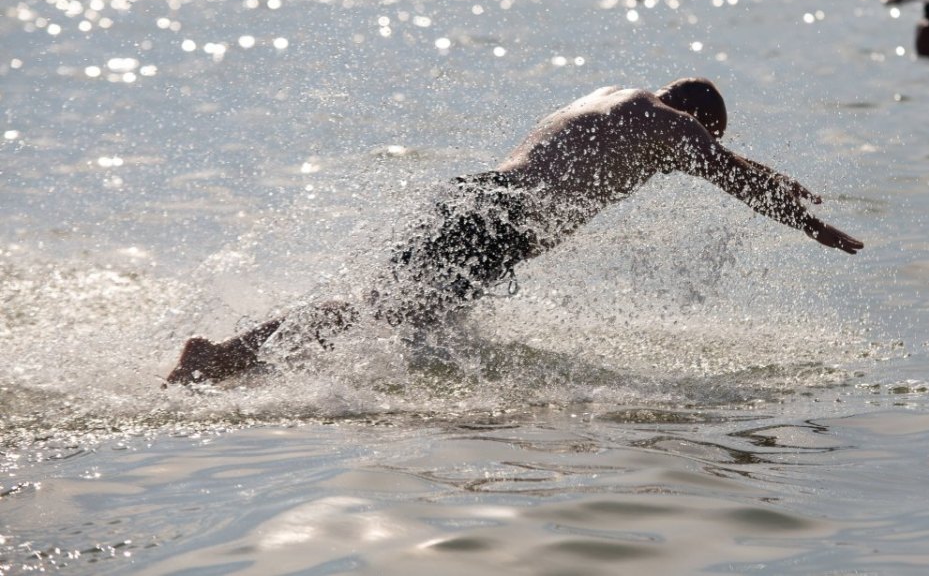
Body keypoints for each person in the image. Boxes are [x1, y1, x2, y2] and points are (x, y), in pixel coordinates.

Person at [166, 78, 864, 384]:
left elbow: (732, 165)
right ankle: (221, 355)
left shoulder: (614, 99)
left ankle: (243, 360)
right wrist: (810, 226)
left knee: (392, 318)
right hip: (498, 226)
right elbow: (730, 174)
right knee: (374, 314)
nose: (684, 165)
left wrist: (778, 179)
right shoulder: (671, 128)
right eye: (696, 149)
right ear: (695, 122)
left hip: (476, 200)